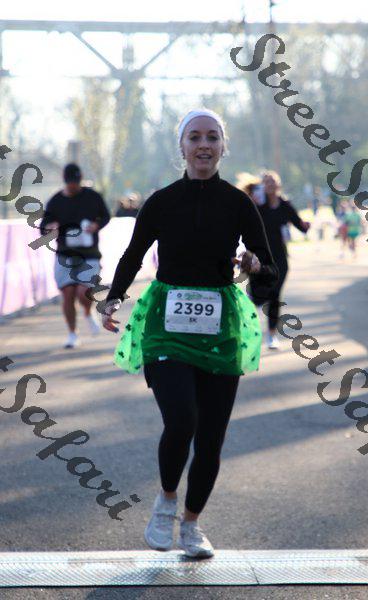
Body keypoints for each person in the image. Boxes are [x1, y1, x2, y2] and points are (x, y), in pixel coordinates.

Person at [102, 109, 278, 558]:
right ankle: (165, 503)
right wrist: (114, 297)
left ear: (223, 146)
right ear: (181, 147)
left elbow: (267, 267)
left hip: (220, 327)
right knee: (182, 420)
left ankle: (192, 525)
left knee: (211, 437)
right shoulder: (161, 201)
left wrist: (255, 264)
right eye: (195, 137)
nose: (204, 145)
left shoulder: (238, 203)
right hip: (167, 322)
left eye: (212, 137)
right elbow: (133, 254)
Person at [40, 163, 111, 348]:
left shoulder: (93, 196)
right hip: (65, 254)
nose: (74, 186)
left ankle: (87, 312)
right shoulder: (56, 201)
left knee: (83, 292)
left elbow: (105, 216)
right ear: (65, 181)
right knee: (68, 294)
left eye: (76, 183)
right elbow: (44, 226)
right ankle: (72, 333)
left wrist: (96, 225)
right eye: (71, 183)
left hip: (89, 254)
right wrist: (50, 228)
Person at [250, 170, 310, 350]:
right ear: (262, 186)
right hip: (259, 259)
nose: (270, 184)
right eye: (266, 182)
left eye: (273, 181)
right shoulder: (258, 205)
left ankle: (271, 335)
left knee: (275, 295)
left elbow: (300, 226)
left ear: (278, 185)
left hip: (280, 259)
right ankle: (252, 306)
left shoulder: (285, 206)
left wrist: (306, 225)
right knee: (258, 297)